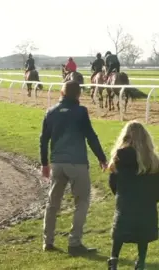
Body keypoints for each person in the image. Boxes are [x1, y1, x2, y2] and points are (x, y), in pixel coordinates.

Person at [39, 80, 108, 256]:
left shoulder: (51, 112)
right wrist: (102, 158)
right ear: (78, 95)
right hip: (77, 163)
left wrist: (44, 163)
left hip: (57, 164)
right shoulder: (81, 111)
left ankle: (47, 241)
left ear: (61, 93)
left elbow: (43, 140)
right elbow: (91, 136)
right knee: (82, 202)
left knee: (53, 203)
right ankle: (74, 243)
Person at [106, 121, 159, 270]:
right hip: (146, 205)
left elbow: (113, 183)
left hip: (125, 202)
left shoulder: (119, 158)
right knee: (143, 234)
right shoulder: (153, 161)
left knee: (119, 233)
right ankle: (141, 261)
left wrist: (120, 195)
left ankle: (113, 260)